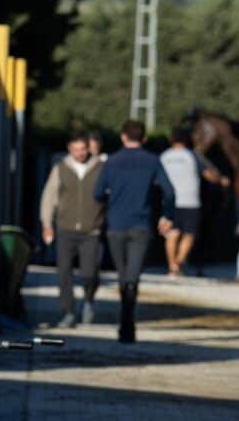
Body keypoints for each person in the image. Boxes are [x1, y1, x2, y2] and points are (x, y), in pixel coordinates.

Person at [93, 119, 176, 343]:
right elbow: (169, 192)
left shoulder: (111, 162)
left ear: (123, 137)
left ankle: (125, 320)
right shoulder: (152, 161)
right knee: (133, 275)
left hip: (116, 224)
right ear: (144, 139)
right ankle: (128, 321)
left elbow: (98, 193)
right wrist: (167, 216)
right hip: (142, 226)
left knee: (122, 275)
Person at [40, 132, 106, 327]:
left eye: (83, 149)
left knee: (89, 272)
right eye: (76, 150)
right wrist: (46, 224)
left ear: (89, 148)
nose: (79, 154)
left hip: (91, 229)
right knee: (64, 273)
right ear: (69, 149)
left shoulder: (100, 168)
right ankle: (68, 311)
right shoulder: (61, 168)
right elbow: (49, 197)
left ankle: (88, 300)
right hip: (65, 227)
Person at [160, 127, 228, 278]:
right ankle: (177, 264)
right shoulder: (192, 155)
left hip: (169, 201)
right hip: (190, 200)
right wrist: (221, 180)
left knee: (172, 234)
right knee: (189, 234)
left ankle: (171, 267)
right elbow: (208, 175)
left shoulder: (164, 156)